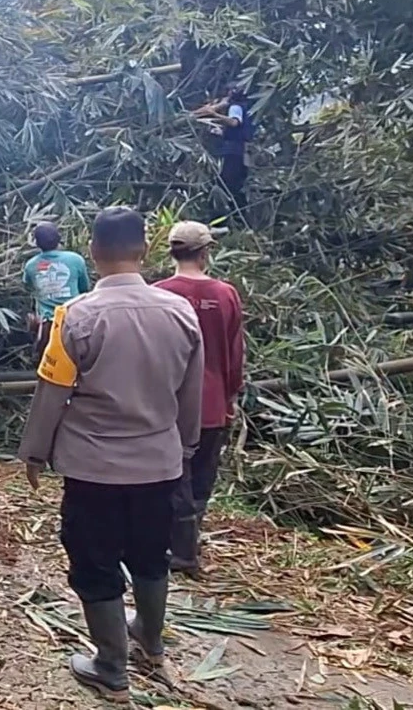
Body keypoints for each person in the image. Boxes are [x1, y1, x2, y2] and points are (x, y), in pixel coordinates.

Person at [17, 208, 203, 702]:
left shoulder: (76, 315)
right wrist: (183, 446)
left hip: (92, 466)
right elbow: (191, 391)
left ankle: (111, 665)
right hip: (158, 461)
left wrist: (36, 452)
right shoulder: (180, 313)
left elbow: (52, 389)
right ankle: (151, 639)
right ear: (144, 250)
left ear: (94, 254)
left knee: (94, 561)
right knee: (150, 555)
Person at [154, 222, 245, 577]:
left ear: (171, 252)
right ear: (206, 252)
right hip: (211, 401)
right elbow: (235, 354)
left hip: (168, 402)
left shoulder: (159, 292)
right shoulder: (225, 295)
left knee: (174, 474)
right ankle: (188, 548)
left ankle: (178, 547)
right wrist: (231, 394)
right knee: (203, 475)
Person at [22, 222, 91, 359]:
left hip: (48, 326)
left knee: (47, 366)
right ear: (59, 239)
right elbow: (84, 290)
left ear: (36, 243)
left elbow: (29, 287)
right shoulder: (76, 260)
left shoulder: (30, 266)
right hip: (75, 322)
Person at [193, 85, 252, 213]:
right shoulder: (246, 108)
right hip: (241, 150)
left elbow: (234, 122)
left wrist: (214, 114)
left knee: (227, 183)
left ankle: (223, 213)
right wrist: (222, 132)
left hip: (233, 150)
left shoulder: (235, 107)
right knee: (235, 184)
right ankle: (238, 214)